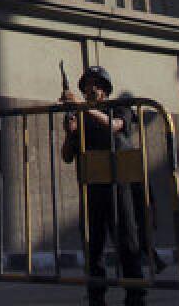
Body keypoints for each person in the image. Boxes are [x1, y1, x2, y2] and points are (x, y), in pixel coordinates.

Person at [60, 66, 144, 306]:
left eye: (96, 84)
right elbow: (67, 156)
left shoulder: (118, 107)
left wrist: (81, 106)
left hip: (119, 186)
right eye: (87, 84)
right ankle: (96, 294)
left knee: (127, 242)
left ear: (105, 89)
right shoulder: (80, 116)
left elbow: (115, 125)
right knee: (92, 244)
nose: (91, 88)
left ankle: (135, 294)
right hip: (91, 187)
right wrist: (69, 133)